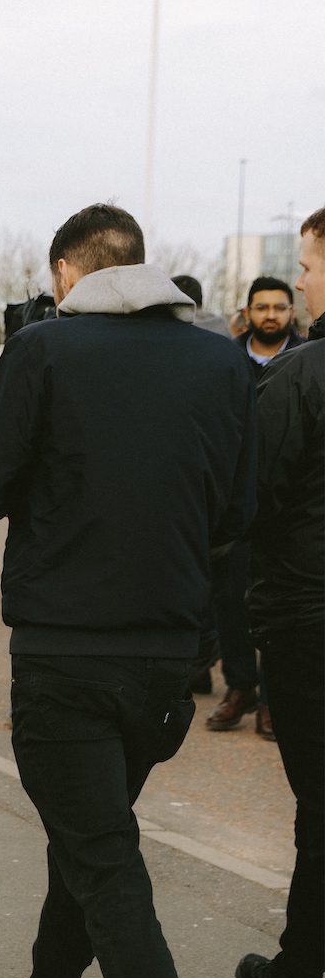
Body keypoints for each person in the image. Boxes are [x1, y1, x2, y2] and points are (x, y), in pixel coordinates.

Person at [0, 203, 251, 978]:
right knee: (89, 845)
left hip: (66, 661)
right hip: (163, 666)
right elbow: (234, 509)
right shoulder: (218, 363)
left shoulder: (44, 351)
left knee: (102, 866)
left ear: (63, 271)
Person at [232, 209, 325, 978]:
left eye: (307, 266)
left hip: (309, 621)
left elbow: (249, 501)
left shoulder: (301, 378)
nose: (300, 283)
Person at [203, 277, 307, 733]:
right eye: (261, 307)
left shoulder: (307, 356)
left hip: (293, 500)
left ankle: (270, 697)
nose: (271, 315)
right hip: (236, 496)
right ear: (246, 313)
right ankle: (241, 686)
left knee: (283, 599)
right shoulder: (222, 358)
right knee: (230, 598)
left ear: (291, 312)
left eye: (279, 307)